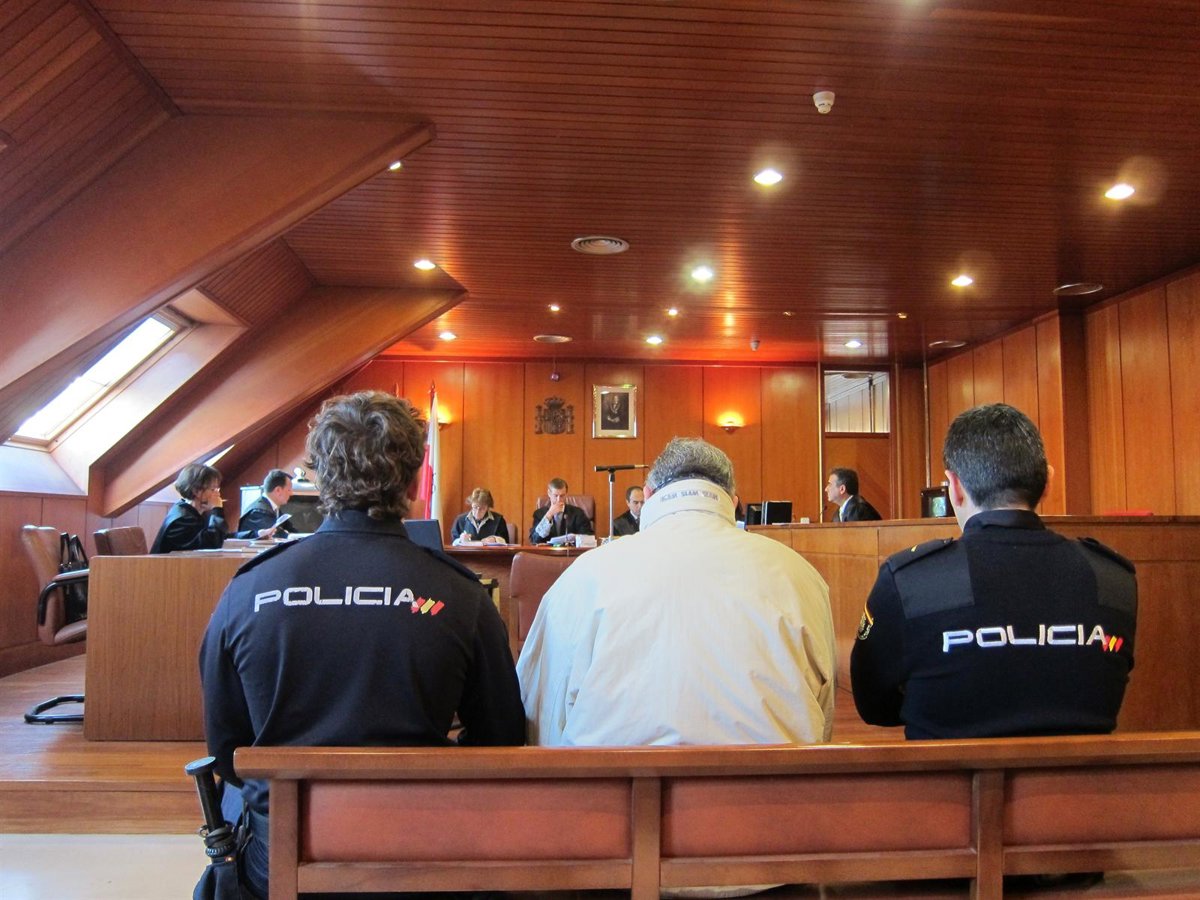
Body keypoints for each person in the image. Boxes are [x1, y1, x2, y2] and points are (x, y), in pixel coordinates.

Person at [199, 390, 525, 899]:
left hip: (279, 860)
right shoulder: (460, 596)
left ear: (319, 478)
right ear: (414, 481)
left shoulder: (248, 590)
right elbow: (502, 739)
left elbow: (226, 753)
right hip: (420, 857)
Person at [518, 437, 835, 747]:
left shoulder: (584, 576)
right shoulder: (800, 575)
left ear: (647, 494)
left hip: (607, 779)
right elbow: (822, 714)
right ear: (734, 500)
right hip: (773, 780)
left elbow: (540, 711)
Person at [851, 403, 1137, 739]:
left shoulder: (909, 580)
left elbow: (872, 704)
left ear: (954, 486)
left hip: (943, 771)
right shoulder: (1114, 578)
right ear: (1048, 482)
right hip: (1084, 775)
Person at [150, 463, 229, 553]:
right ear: (196, 491)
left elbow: (218, 537)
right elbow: (212, 542)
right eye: (213, 489)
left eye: (217, 489)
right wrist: (217, 509)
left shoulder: (192, 512)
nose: (218, 494)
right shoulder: (182, 519)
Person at [528, 477, 593, 544]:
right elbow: (534, 539)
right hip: (548, 550)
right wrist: (549, 515)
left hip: (570, 550)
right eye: (555, 496)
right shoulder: (539, 514)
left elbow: (587, 537)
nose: (559, 500)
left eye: (562, 496)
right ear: (549, 493)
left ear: (566, 494)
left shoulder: (578, 513)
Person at [234, 468, 295, 539]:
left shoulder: (274, 509)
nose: (291, 493)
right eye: (289, 490)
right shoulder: (258, 512)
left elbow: (291, 530)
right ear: (278, 490)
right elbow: (277, 536)